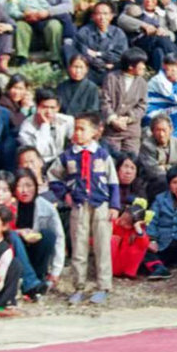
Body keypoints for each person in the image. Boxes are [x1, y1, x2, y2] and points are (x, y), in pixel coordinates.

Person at [48, 112, 119, 305]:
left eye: (82, 129)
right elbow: (52, 176)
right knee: (79, 245)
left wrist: (114, 205)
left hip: (100, 204)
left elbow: (113, 181)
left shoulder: (102, 154)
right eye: (75, 129)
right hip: (79, 204)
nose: (77, 133)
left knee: (102, 244)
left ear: (95, 132)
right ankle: (78, 286)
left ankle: (103, 285)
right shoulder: (67, 156)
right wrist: (65, 194)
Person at [13, 168, 65, 287]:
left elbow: (59, 238)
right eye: (19, 186)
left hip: (36, 249)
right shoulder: (9, 205)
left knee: (48, 235)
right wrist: (19, 232)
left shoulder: (46, 207)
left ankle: (38, 275)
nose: (24, 190)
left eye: (29, 185)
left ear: (36, 186)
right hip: (17, 249)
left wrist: (56, 270)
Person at [146, 164, 177, 270]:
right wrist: (152, 239)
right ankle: (159, 268)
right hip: (163, 243)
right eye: (174, 182)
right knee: (143, 249)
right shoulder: (160, 199)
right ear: (169, 184)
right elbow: (152, 220)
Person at [101, 47, 148, 154]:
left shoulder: (142, 83)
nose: (144, 67)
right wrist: (113, 119)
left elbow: (142, 106)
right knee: (111, 160)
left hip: (132, 129)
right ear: (131, 66)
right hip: (112, 130)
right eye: (142, 64)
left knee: (131, 161)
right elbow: (105, 101)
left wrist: (127, 118)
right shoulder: (111, 78)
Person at [139, 113, 177, 200]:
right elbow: (153, 172)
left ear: (171, 130)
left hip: (174, 179)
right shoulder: (147, 145)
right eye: (158, 130)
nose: (161, 134)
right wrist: (174, 170)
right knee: (163, 181)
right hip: (153, 183)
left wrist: (166, 167)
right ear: (152, 131)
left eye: (164, 130)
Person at [18, 88, 73, 171]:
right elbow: (41, 152)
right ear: (37, 107)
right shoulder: (26, 128)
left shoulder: (66, 120)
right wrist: (45, 126)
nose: (49, 112)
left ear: (58, 108)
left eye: (52, 108)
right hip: (41, 166)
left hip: (62, 163)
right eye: (44, 107)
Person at [73, 1, 128, 84]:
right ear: (93, 16)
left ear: (111, 16)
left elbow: (120, 56)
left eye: (105, 14)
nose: (102, 17)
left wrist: (98, 54)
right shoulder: (84, 31)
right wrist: (103, 63)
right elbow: (81, 52)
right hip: (90, 70)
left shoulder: (118, 33)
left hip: (111, 70)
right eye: (98, 14)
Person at [145, 52, 177, 136]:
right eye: (171, 66)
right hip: (151, 113)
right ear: (164, 66)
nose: (174, 69)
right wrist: (176, 83)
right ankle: (173, 138)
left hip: (165, 109)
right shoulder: (160, 80)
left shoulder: (171, 79)